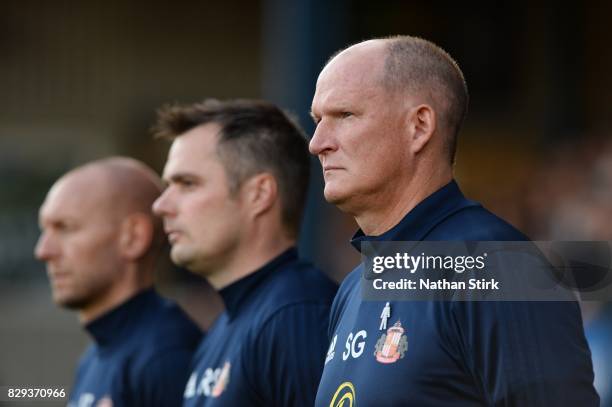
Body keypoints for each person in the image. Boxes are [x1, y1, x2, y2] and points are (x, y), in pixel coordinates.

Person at [309, 35, 598, 406]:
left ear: (419, 126)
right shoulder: (353, 287)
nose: (317, 143)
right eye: (317, 121)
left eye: (345, 115)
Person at [152, 98, 337, 407]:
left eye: (187, 184)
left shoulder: (296, 315)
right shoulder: (225, 327)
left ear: (259, 194)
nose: (161, 205)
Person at [35, 157, 201, 407]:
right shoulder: (97, 355)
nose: (43, 251)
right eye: (44, 230)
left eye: (65, 228)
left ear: (133, 237)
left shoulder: (164, 358)